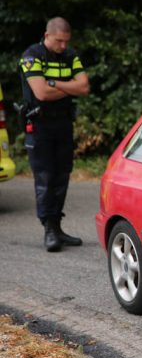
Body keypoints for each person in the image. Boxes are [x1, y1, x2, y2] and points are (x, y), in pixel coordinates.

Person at [19, 17, 90, 252]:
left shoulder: (70, 55)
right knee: (46, 178)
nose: (63, 46)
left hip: (63, 124)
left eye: (66, 42)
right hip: (40, 126)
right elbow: (41, 93)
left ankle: (58, 227)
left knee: (62, 176)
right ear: (47, 35)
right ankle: (48, 229)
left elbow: (84, 87)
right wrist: (67, 85)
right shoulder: (32, 55)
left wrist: (54, 83)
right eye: (59, 41)